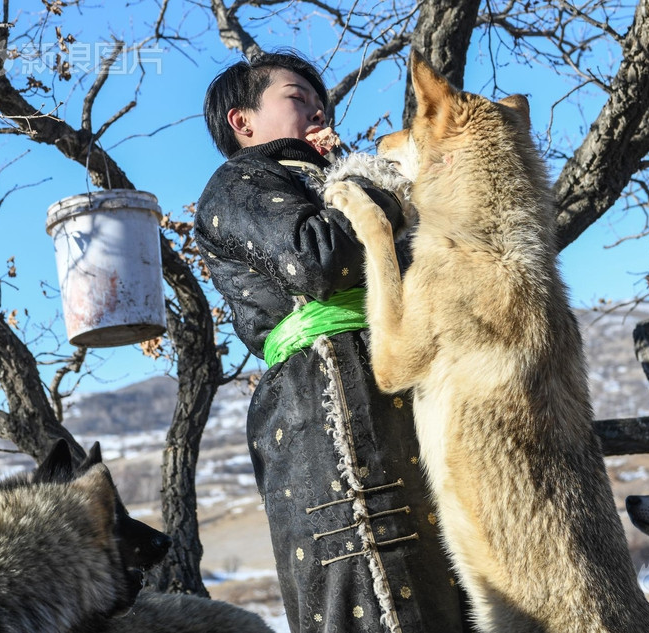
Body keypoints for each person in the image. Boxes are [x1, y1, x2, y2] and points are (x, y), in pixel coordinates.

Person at [194, 50, 473, 633]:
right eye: (297, 97)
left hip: (399, 392)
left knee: (449, 585)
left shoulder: (329, 180)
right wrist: (381, 192)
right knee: (376, 590)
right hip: (324, 410)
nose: (318, 107)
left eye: (322, 98)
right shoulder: (239, 182)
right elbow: (318, 261)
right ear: (241, 123)